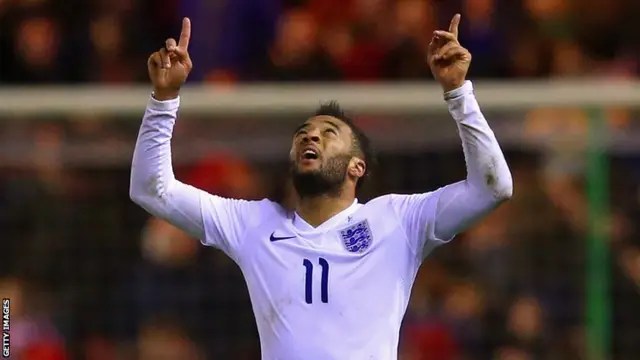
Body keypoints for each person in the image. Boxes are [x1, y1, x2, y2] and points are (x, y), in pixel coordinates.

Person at [130, 15, 512, 360]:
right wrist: (164, 100)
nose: (311, 136)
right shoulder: (253, 223)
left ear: (356, 166)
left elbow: (491, 189)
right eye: (303, 134)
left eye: (329, 133)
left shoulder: (398, 220)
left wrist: (459, 94)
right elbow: (152, 190)